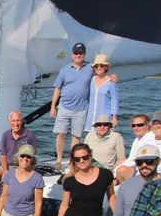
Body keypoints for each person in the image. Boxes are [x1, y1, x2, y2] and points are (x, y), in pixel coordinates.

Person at [50, 43, 117, 171]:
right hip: (64, 107)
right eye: (76, 53)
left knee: (76, 136)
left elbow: (101, 73)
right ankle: (58, 159)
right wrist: (53, 107)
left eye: (80, 53)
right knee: (61, 134)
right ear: (72, 54)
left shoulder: (89, 68)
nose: (78, 55)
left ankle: (71, 161)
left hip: (81, 109)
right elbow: (57, 89)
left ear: (84, 54)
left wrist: (114, 76)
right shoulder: (64, 70)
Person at [0, 110, 38, 216]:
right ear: (9, 122)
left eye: (18, 120)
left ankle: (10, 212)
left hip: (23, 165)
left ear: (22, 121)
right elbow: (3, 155)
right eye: (13, 121)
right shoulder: (5, 135)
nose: (16, 123)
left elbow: (32, 156)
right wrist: (5, 170)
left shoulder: (30, 135)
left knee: (10, 183)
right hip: (8, 165)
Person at [111, 144, 161, 216]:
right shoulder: (126, 185)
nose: (144, 165)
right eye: (139, 162)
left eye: (149, 161)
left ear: (159, 161)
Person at [114, 113, 156, 183]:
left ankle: (125, 188)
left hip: (145, 171)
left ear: (147, 125)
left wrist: (114, 174)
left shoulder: (149, 140)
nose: (136, 128)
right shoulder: (138, 139)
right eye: (133, 125)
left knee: (121, 170)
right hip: (138, 167)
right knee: (120, 161)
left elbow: (134, 161)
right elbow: (131, 158)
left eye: (140, 125)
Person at [84, 54, 119, 132]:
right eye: (96, 66)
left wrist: (114, 117)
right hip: (91, 117)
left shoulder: (111, 82)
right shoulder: (91, 79)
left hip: (105, 118)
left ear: (106, 67)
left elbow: (114, 100)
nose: (99, 68)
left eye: (101, 65)